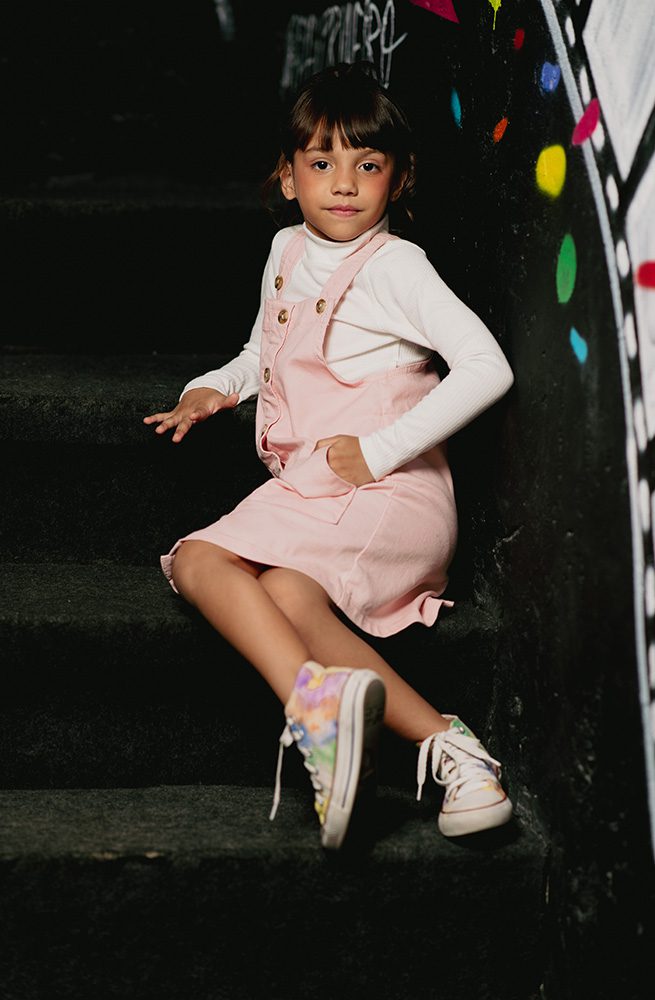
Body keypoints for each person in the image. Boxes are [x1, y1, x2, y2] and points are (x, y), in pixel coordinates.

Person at [144, 62, 514, 849]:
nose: (343, 184)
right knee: (281, 591)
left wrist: (379, 451)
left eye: (367, 165)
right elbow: (264, 349)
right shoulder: (285, 248)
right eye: (321, 163)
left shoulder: (394, 266)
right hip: (314, 489)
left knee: (200, 558)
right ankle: (454, 752)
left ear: (398, 179)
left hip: (389, 492)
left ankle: (318, 718)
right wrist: (215, 388)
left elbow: (488, 366)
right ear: (287, 177)